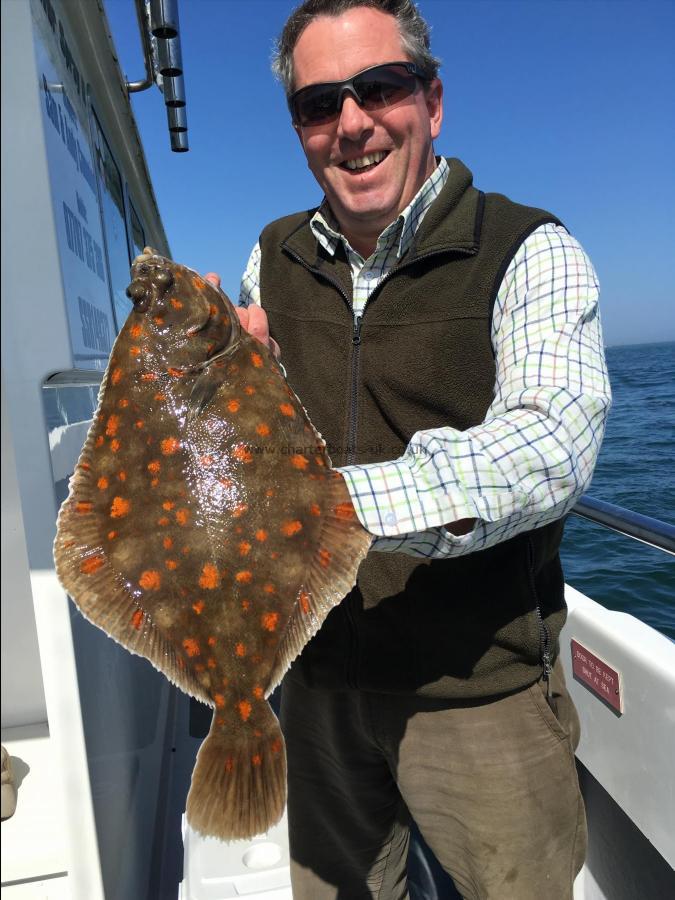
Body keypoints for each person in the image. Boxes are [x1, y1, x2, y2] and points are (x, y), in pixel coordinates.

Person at [210, 1, 611, 897]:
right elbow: (247, 450)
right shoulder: (268, 259)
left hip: (477, 692)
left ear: (431, 101)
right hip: (311, 682)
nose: (350, 124)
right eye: (319, 105)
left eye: (378, 88)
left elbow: (548, 445)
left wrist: (332, 509)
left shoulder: (526, 249)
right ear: (300, 129)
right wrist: (225, 374)